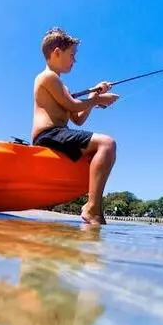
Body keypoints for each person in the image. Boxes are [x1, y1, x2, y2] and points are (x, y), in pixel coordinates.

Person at [32, 27, 120, 225]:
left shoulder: (63, 86)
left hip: (61, 133)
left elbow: (78, 118)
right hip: (48, 134)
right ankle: (92, 207)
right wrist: (98, 101)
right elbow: (72, 105)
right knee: (107, 143)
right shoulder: (47, 77)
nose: (74, 60)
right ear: (56, 53)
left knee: (105, 146)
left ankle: (93, 206)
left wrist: (93, 96)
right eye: (72, 55)